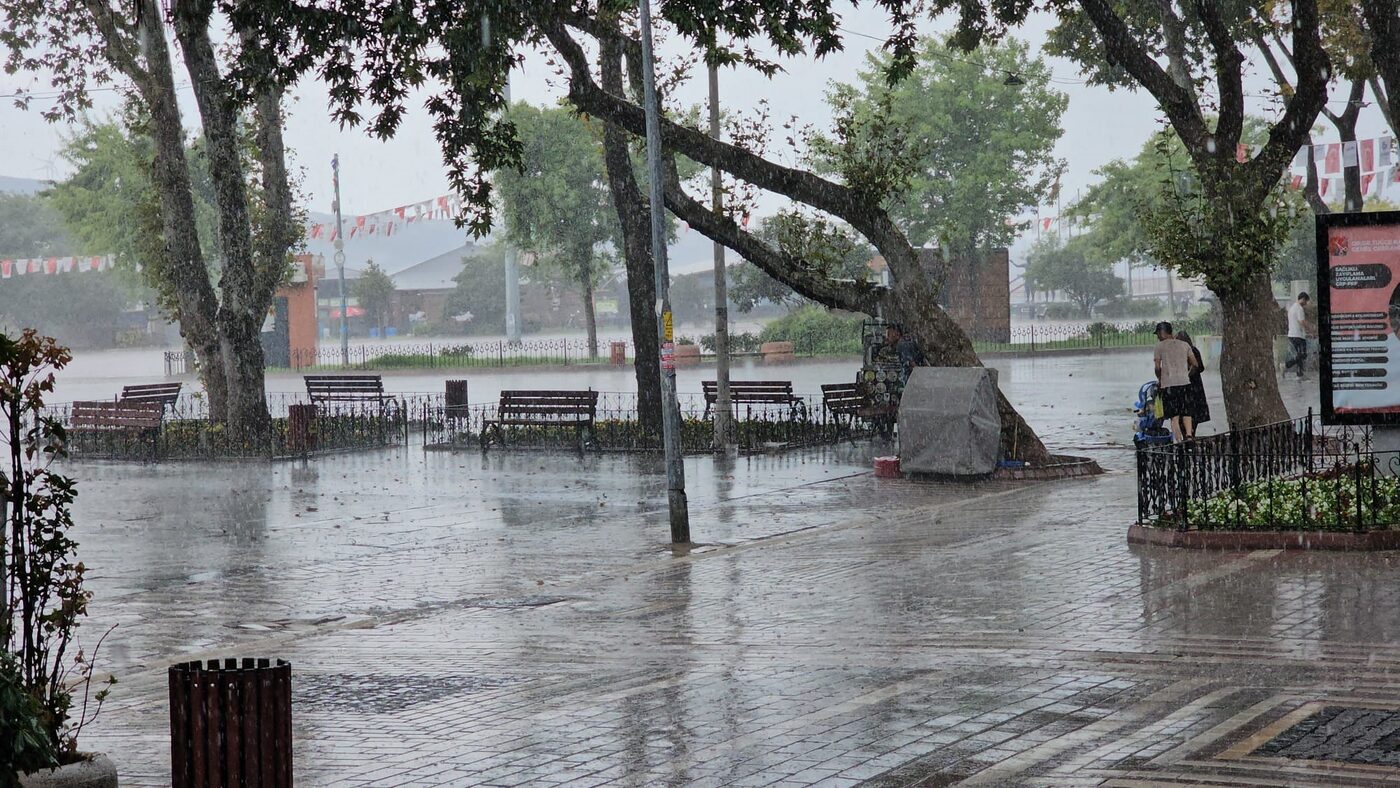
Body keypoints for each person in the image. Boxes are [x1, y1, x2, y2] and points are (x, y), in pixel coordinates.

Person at [1153, 321, 1200, 441]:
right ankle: (1189, 436)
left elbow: (1158, 367)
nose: (1157, 337)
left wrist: (1160, 379)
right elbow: (1195, 364)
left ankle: (1179, 442)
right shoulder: (1185, 345)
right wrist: (1187, 375)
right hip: (1185, 383)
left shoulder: (1159, 346)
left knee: (1174, 417)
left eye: (1157, 334)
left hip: (1169, 385)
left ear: (1162, 332)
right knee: (1187, 413)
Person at [1175, 330, 1211, 438]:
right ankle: (1190, 435)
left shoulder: (1182, 352)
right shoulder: (1194, 350)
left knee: (1183, 413)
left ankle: (1187, 436)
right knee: (1192, 413)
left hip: (1185, 387)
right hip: (1195, 387)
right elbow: (1201, 367)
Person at [1283, 292, 1312, 379]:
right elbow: (1301, 321)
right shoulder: (1299, 308)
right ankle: (1286, 365)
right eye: (1306, 301)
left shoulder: (1292, 308)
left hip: (1292, 335)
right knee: (1303, 355)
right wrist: (1310, 329)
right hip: (1298, 335)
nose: (1306, 304)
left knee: (1299, 355)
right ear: (1303, 299)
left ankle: (1300, 374)